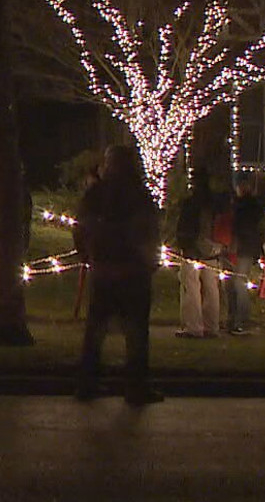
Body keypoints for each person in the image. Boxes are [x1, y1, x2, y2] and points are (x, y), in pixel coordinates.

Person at [75, 144, 164, 406]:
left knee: (96, 329)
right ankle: (135, 386)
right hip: (133, 270)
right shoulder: (139, 194)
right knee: (136, 331)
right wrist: (149, 258)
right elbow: (149, 229)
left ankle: (87, 382)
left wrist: (88, 254)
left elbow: (81, 227)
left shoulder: (97, 194)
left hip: (104, 270)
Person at [174, 168, 223, 338]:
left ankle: (193, 327)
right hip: (213, 249)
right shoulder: (216, 202)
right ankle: (212, 326)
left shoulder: (191, 202)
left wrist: (184, 245)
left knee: (191, 288)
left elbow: (185, 227)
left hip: (193, 250)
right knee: (211, 289)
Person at [226, 173, 264, 335]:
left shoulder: (246, 206)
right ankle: (234, 317)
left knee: (239, 283)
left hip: (244, 248)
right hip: (242, 247)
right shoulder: (243, 205)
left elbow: (243, 227)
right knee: (233, 283)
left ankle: (241, 319)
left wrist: (236, 242)